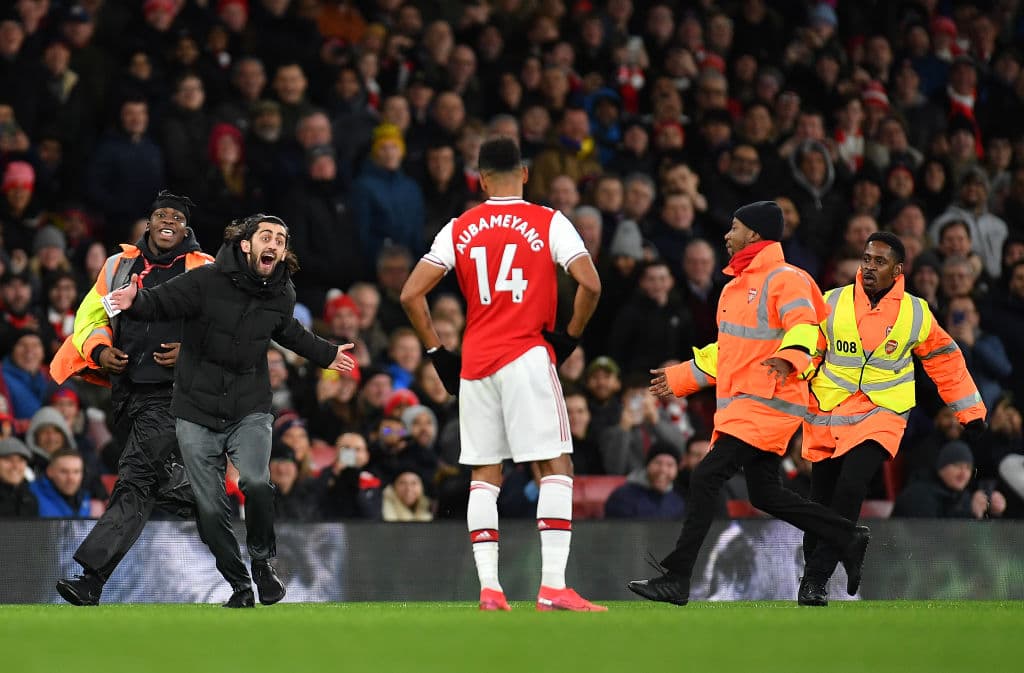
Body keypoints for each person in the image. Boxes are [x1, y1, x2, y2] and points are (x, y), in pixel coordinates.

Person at [627, 200, 870, 607]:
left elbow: (806, 328)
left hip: (770, 403)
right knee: (764, 494)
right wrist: (682, 377)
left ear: (754, 234)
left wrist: (790, 357)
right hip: (744, 406)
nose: (727, 235)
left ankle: (678, 577)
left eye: (734, 227)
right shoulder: (734, 287)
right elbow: (730, 353)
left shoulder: (787, 278)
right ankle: (846, 535)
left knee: (706, 476)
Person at [106, 213, 355, 608]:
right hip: (196, 408)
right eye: (267, 236)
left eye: (281, 240)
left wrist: (326, 353)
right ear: (245, 245)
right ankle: (239, 585)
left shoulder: (282, 292)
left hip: (248, 407)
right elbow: (162, 301)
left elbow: (289, 331)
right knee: (209, 508)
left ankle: (262, 564)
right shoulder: (205, 280)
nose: (274, 244)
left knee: (256, 482)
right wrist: (135, 299)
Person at [400, 137, 605, 612]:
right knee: (555, 466)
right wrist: (570, 337)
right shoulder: (549, 222)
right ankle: (552, 586)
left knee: (484, 474)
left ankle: (490, 588)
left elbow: (410, 294)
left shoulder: (459, 228)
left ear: (480, 179)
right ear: (525, 173)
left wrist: (437, 352)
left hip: (475, 363)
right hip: (526, 356)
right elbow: (591, 284)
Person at [798, 232, 986, 606]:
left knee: (852, 485)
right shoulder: (830, 302)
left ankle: (816, 579)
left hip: (882, 413)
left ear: (898, 270)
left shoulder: (916, 313)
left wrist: (971, 412)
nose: (869, 267)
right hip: (828, 412)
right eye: (866, 259)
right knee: (820, 503)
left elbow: (945, 360)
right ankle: (833, 558)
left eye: (879, 261)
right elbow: (805, 355)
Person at [50, 191, 214, 607]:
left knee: (135, 480)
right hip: (126, 394)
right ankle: (213, 509)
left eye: (177, 217)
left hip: (176, 395)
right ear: (149, 221)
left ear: (186, 228)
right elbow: (92, 317)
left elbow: (229, 327)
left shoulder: (205, 269)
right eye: (161, 214)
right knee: (157, 483)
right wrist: (100, 349)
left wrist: (191, 351)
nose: (168, 221)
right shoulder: (117, 265)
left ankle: (91, 579)